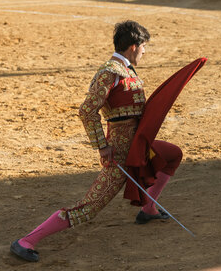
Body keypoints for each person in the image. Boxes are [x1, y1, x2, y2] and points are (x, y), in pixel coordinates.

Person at [10, 21, 183, 262]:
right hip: (121, 154)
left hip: (137, 146)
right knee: (89, 208)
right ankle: (26, 241)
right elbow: (87, 111)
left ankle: (148, 209)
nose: (145, 51)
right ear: (133, 46)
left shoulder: (126, 69)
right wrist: (102, 146)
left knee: (173, 154)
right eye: (144, 47)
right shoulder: (110, 72)